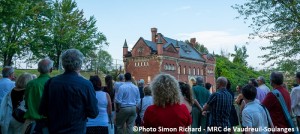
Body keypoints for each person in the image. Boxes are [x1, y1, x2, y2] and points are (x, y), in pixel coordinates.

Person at [39, 49, 99, 133]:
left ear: (63, 64)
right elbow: (94, 113)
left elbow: (42, 110)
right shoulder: (85, 84)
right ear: (80, 64)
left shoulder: (51, 82)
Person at [23, 58, 53, 134]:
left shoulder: (31, 84)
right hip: (48, 123)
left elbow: (26, 103)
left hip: (31, 122)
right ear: (51, 69)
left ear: (38, 69)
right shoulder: (53, 83)